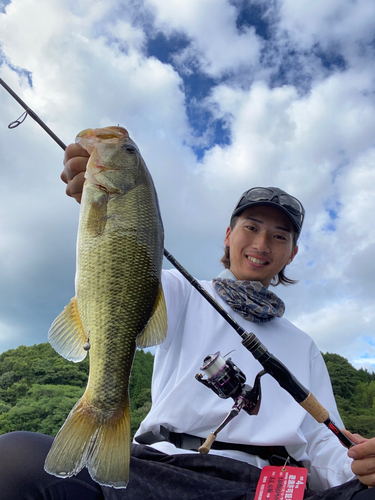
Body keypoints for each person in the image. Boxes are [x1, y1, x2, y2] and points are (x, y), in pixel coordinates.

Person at [0, 143, 374, 500]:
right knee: (17, 458)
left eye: (279, 236)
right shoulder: (178, 289)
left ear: (291, 254)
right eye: (251, 227)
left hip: (266, 486)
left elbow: (323, 442)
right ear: (228, 236)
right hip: (161, 468)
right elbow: (120, 266)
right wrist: (103, 204)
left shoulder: (303, 345)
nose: (262, 244)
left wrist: (360, 466)